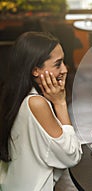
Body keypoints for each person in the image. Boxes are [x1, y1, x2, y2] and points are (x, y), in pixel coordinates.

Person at [0, 31, 82, 191]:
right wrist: (60, 103)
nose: (65, 70)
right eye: (58, 64)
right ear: (35, 70)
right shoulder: (36, 103)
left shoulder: (15, 95)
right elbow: (71, 155)